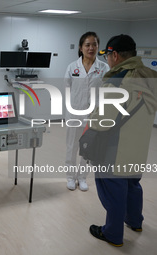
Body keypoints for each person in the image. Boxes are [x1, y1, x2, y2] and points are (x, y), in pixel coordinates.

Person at [89, 34, 157, 246]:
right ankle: (135, 221)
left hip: (115, 148)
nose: (107, 60)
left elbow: (101, 121)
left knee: (112, 188)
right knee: (132, 185)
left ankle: (112, 233)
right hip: (139, 146)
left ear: (115, 55)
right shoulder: (149, 76)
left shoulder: (118, 80)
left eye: (108, 56)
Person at [64, 32, 109, 191]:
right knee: (72, 147)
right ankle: (70, 177)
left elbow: (107, 91)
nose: (91, 48)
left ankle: (82, 178)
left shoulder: (103, 67)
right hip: (74, 114)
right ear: (81, 48)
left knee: (88, 148)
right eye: (87, 45)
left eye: (94, 44)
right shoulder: (72, 67)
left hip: (93, 116)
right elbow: (67, 90)